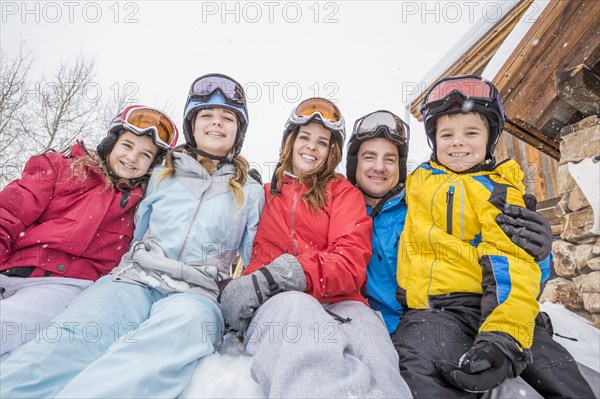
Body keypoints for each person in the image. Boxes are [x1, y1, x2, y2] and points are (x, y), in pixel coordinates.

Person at [0, 73, 265, 398]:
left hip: (198, 295)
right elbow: (127, 222)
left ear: (239, 131)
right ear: (192, 125)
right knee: (71, 337)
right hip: (134, 281)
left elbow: (254, 257)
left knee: (155, 353)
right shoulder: (161, 173)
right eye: (206, 115)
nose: (216, 123)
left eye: (227, 118)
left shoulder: (250, 191)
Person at [346, 107, 598, 398]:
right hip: (415, 330)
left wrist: (539, 255)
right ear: (353, 163)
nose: (380, 167)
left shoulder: (424, 200)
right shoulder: (340, 218)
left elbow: (509, 263)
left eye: (390, 158)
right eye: (368, 157)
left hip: (482, 309)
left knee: (562, 379)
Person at [220, 98, 412, 398]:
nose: (311, 147)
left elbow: (349, 262)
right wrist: (253, 286)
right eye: (304, 137)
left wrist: (288, 271)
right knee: (302, 330)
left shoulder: (342, 193)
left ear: (331, 151)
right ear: (290, 141)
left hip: (342, 301)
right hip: (281, 301)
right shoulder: (266, 193)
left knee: (374, 349)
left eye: (322, 142)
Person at [0, 105, 177, 357]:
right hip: (10, 267)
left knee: (10, 322)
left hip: (63, 285)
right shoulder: (63, 169)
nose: (132, 158)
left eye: (145, 154)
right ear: (111, 143)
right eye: (127, 145)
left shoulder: (143, 203)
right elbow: (8, 213)